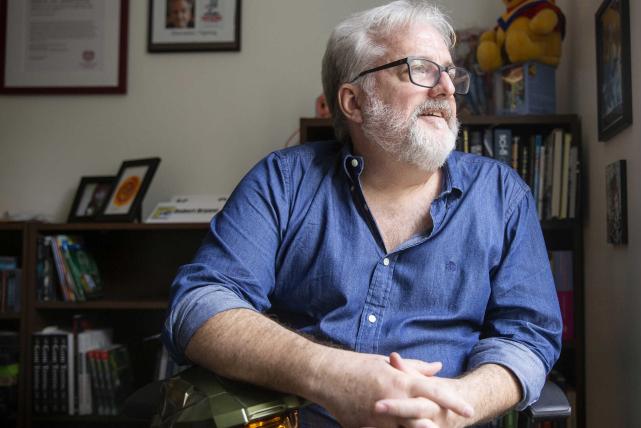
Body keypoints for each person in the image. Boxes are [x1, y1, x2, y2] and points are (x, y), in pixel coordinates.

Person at [162, 1, 561, 427]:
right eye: (421, 69)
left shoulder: (501, 195)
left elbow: (529, 336)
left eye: (449, 72)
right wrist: (332, 375)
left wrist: (458, 404)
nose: (446, 88)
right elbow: (198, 304)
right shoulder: (283, 181)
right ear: (354, 101)